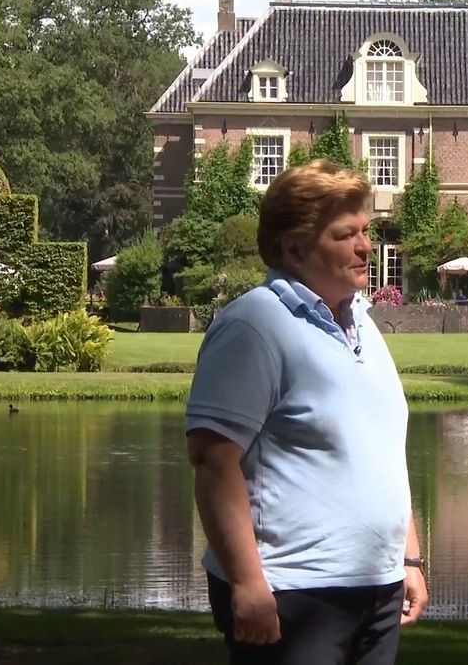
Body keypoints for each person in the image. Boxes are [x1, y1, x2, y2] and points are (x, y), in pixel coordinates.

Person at [186, 158, 428, 665]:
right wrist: (249, 583)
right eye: (346, 235)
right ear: (293, 247)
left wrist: (406, 556)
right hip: (293, 590)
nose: (366, 247)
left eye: (366, 230)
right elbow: (214, 462)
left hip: (376, 587)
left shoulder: (363, 322)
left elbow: (381, 450)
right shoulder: (255, 324)